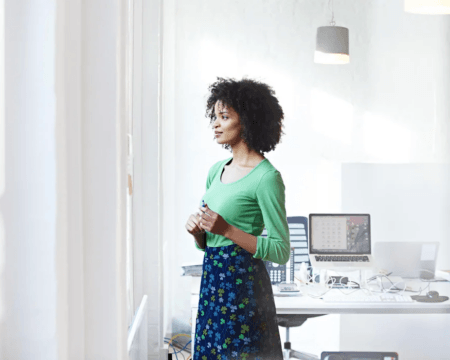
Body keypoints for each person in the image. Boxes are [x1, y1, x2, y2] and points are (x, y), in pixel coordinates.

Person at [185, 77, 291, 360]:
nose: (215, 124)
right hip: (212, 283)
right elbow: (209, 241)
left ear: (247, 120)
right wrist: (198, 232)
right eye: (215, 117)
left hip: (244, 288)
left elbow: (281, 250)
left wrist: (228, 229)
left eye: (224, 117)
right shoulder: (216, 170)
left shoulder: (267, 178)